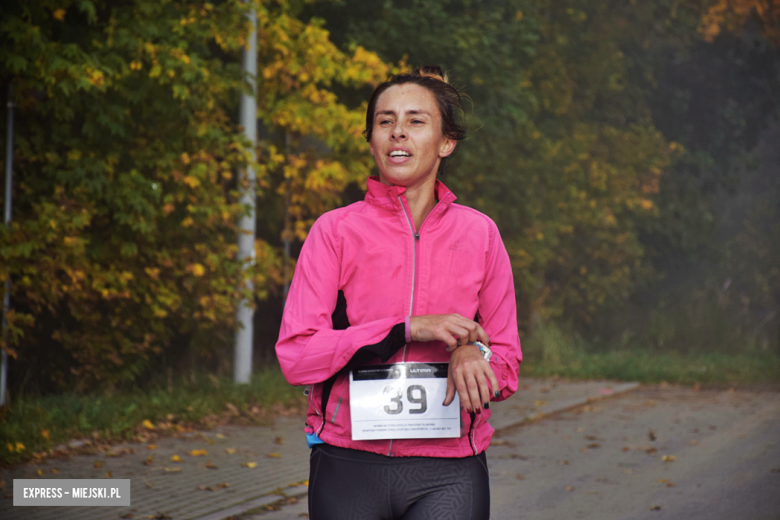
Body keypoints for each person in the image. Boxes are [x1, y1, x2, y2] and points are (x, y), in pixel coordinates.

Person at [276, 65, 522, 520]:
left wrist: (475, 355)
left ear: (446, 142)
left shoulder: (481, 234)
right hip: (348, 465)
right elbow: (297, 355)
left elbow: (506, 361)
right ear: (371, 140)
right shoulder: (335, 231)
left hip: (450, 471)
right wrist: (405, 329)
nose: (397, 133)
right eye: (385, 121)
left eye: (415, 121)